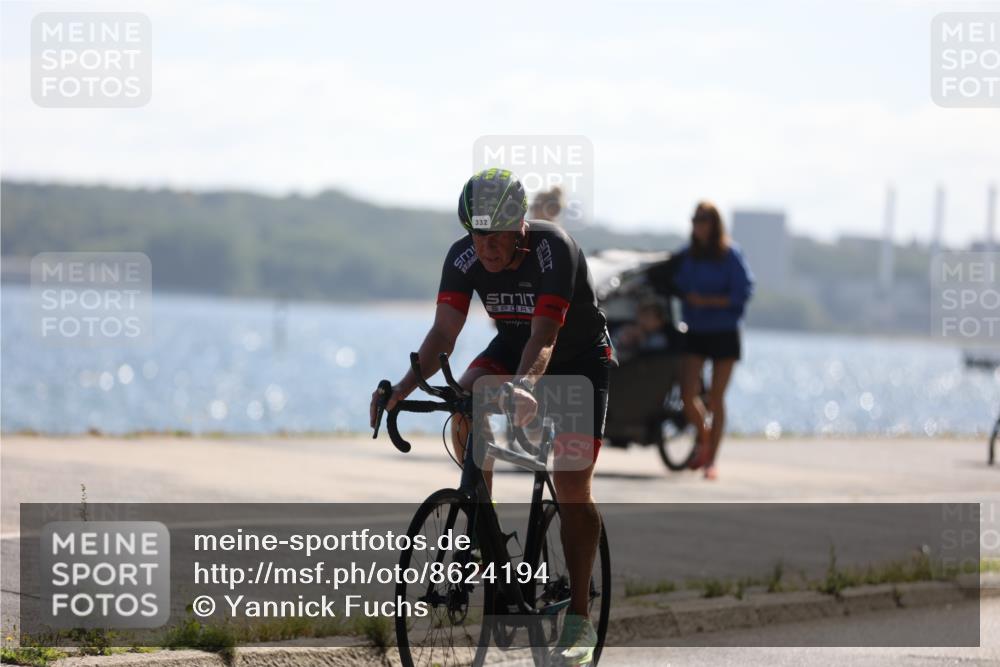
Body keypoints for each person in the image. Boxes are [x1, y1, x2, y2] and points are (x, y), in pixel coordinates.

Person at [369, 168, 613, 665]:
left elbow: (545, 339)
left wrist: (525, 387)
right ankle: (485, 526)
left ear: (520, 224)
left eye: (497, 234)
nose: (486, 246)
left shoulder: (554, 250)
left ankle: (580, 617)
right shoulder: (463, 257)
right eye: (477, 233)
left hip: (579, 359)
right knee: (463, 401)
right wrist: (400, 389)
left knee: (571, 488)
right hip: (512, 345)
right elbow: (442, 336)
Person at [670, 202, 753, 480]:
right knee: (687, 394)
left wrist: (708, 301)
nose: (698, 225)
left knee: (716, 398)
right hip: (696, 330)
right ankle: (705, 439)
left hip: (724, 331)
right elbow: (673, 279)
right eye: (695, 219)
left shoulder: (730, 254)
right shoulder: (688, 255)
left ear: (714, 224)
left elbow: (744, 291)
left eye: (703, 220)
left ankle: (711, 461)